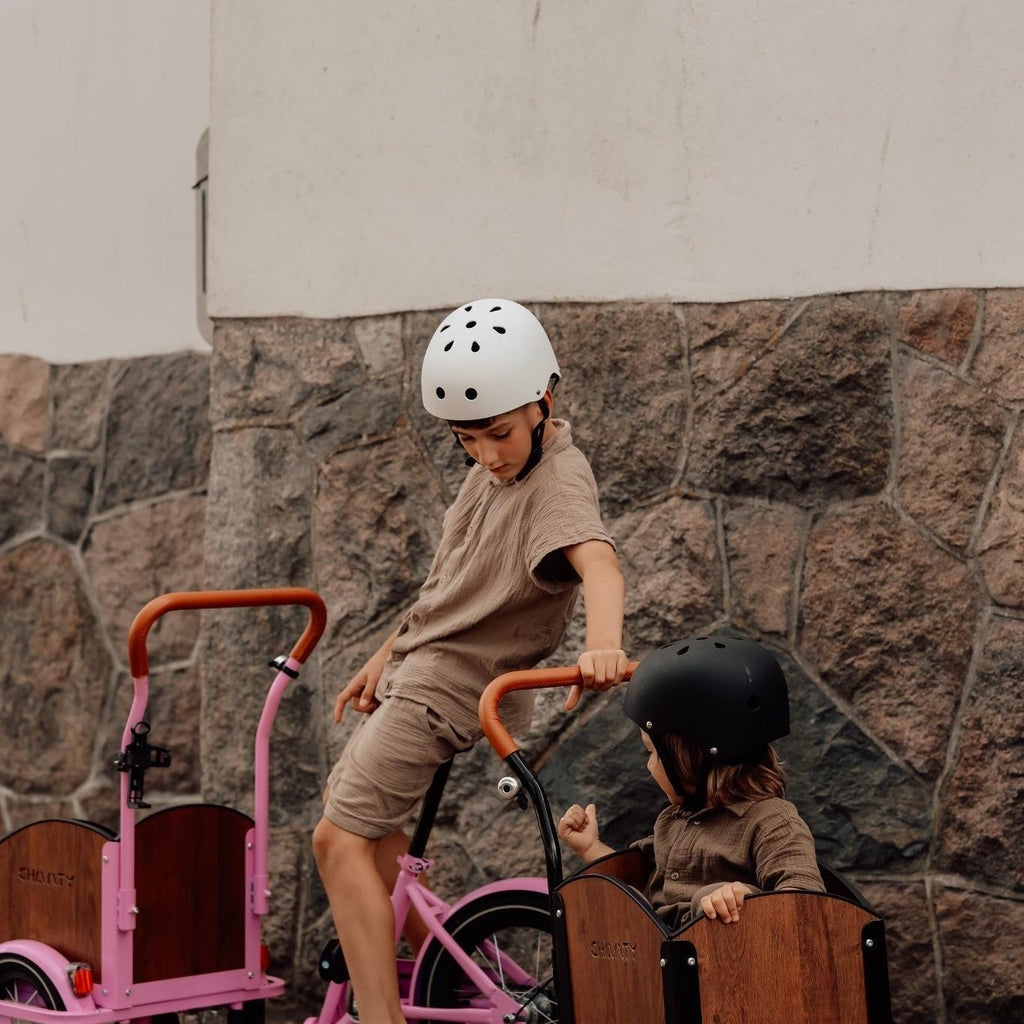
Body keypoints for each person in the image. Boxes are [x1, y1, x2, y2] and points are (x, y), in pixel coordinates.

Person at [312, 298, 629, 1024]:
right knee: (377, 842)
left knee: (335, 840)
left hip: (444, 692)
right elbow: (451, 585)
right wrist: (385, 654)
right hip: (422, 674)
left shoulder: (556, 480)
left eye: (499, 433)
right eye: (467, 439)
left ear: (544, 400)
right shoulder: (497, 472)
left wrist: (602, 644)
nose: (486, 454)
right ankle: (460, 971)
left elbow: (600, 564)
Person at [558, 635, 824, 928]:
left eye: (654, 753)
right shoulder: (673, 822)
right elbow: (640, 890)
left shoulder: (772, 821)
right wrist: (590, 848)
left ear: (692, 757)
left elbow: (806, 898)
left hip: (728, 962)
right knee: (608, 904)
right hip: (658, 956)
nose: (649, 766)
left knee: (705, 901)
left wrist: (746, 896)